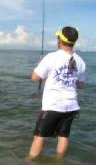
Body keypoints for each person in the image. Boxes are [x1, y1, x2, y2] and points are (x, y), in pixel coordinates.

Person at [28, 26, 86, 161]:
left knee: (39, 137)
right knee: (64, 136)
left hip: (53, 105)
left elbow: (34, 77)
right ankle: (59, 161)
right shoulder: (80, 61)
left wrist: (41, 66)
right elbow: (81, 85)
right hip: (71, 106)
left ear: (60, 40)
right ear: (74, 42)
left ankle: (30, 161)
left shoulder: (51, 57)